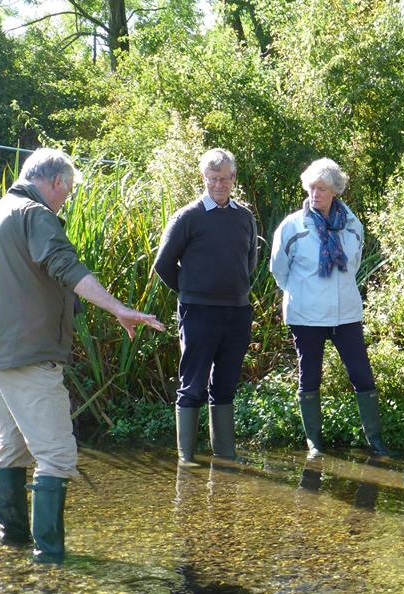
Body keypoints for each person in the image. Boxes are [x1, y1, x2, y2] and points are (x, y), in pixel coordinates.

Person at [0, 148, 164, 563]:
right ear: (53, 182)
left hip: (0, 356)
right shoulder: (34, 215)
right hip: (31, 356)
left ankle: (12, 545)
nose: (66, 198)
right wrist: (119, 308)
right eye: (66, 190)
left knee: (12, 448)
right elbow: (65, 265)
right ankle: (50, 560)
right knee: (56, 456)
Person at [270, 158, 388, 458]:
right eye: (311, 187)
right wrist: (302, 292)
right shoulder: (293, 226)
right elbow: (279, 269)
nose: (315, 194)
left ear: (335, 190)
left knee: (362, 375)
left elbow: (354, 265)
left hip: (346, 314)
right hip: (306, 315)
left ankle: (375, 441)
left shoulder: (352, 225)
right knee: (309, 377)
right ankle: (315, 444)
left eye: (322, 188)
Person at [154, 148, 258, 467]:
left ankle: (224, 454)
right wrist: (191, 291)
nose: (219, 185)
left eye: (224, 179)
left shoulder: (245, 217)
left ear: (233, 179)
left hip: (237, 312)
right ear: (204, 178)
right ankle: (186, 457)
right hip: (198, 311)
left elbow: (250, 262)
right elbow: (164, 264)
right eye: (213, 179)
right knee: (193, 383)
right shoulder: (188, 217)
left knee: (225, 383)